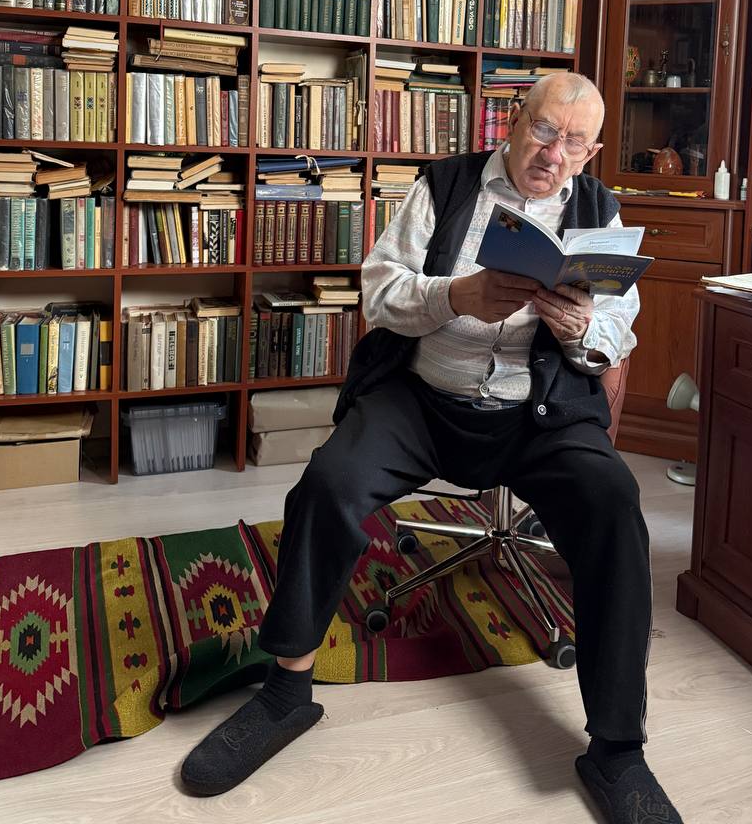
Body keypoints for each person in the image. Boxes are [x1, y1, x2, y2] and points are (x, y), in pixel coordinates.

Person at [181, 72, 684, 824]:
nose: (554, 154)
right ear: (513, 120)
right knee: (328, 484)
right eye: (544, 130)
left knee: (616, 506)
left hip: (540, 414)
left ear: (593, 151)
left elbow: (619, 329)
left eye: (575, 143)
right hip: (421, 399)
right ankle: (286, 691)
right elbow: (377, 291)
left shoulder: (599, 212)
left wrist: (582, 327)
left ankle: (617, 750)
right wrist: (456, 295)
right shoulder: (445, 186)